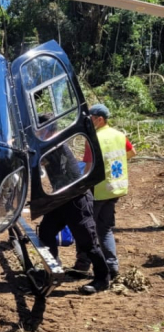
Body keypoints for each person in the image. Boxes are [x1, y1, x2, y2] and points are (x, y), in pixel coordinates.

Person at [35, 113, 111, 295]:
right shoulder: (47, 144)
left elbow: (40, 159)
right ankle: (52, 269)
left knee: (88, 243)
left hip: (77, 199)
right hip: (61, 198)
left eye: (40, 129)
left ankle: (102, 279)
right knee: (46, 232)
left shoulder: (55, 143)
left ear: (50, 129)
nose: (38, 133)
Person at [67, 104, 135, 280]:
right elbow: (132, 152)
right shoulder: (119, 135)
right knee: (104, 229)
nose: (89, 120)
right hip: (116, 188)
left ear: (100, 119)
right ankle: (112, 267)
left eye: (91, 117)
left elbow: (88, 168)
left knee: (85, 229)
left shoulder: (94, 138)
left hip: (98, 190)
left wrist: (77, 187)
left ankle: (83, 266)